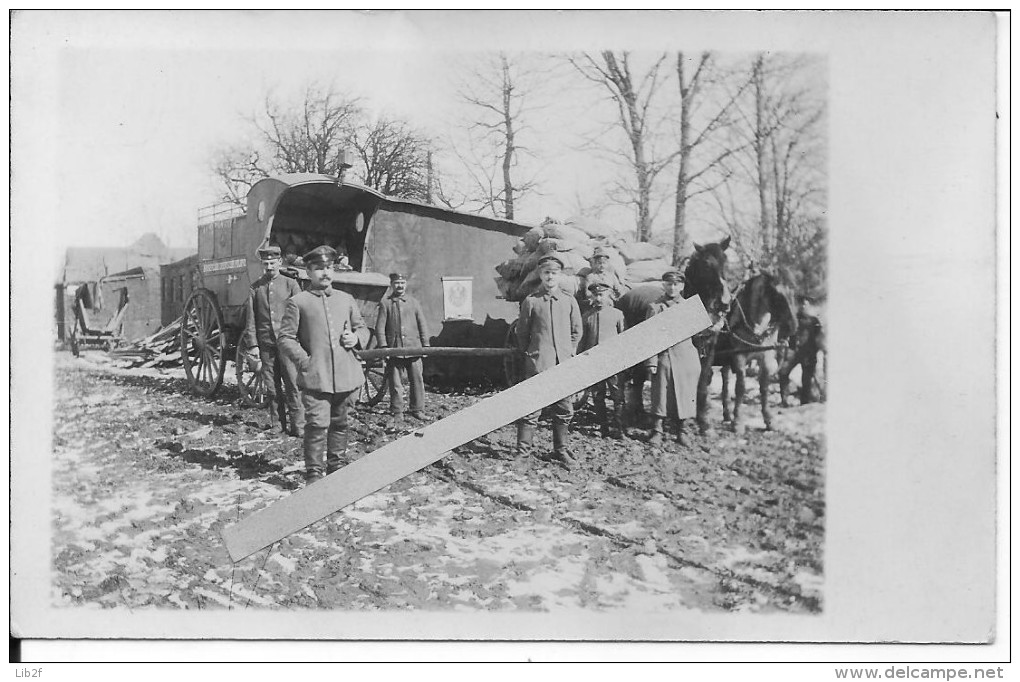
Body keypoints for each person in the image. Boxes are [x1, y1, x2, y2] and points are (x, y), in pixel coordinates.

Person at [278, 245, 371, 485]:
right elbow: (286, 338)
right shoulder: (298, 302)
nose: (325, 273)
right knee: (317, 425)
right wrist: (305, 361)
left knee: (340, 422)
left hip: (345, 374)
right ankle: (314, 474)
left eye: (328, 267)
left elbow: (362, 327)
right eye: (319, 269)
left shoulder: (346, 299)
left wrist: (357, 338)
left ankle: (336, 468)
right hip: (316, 376)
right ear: (308, 272)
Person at [514, 254, 583, 468]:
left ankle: (560, 451)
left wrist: (567, 352)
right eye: (546, 272)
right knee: (531, 410)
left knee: (564, 410)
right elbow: (522, 333)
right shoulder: (532, 301)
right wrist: (534, 354)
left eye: (554, 273)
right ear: (540, 275)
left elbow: (576, 331)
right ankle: (523, 453)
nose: (550, 276)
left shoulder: (568, 300)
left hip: (562, 365)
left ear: (560, 275)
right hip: (538, 365)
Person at [243, 243, 304, 436]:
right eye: (265, 264)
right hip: (266, 345)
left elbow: (301, 314)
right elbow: (251, 320)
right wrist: (253, 345)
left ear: (280, 262)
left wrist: (300, 341)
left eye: (272, 263)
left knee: (293, 384)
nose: (269, 267)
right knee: (272, 387)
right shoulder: (256, 288)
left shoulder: (291, 285)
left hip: (287, 344)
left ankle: (299, 426)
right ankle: (278, 424)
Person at [644, 268, 701, 447]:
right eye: (669, 284)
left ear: (682, 286)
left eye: (676, 284)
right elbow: (650, 336)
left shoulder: (689, 308)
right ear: (664, 285)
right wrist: (652, 361)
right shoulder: (655, 307)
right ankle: (657, 431)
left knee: (685, 395)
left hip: (685, 357)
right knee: (660, 394)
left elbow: (698, 336)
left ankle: (682, 431)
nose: (672, 288)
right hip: (665, 356)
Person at [375, 272, 430, 430]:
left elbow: (422, 324)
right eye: (396, 283)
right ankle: (397, 410)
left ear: (406, 284)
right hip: (395, 349)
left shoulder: (414, 303)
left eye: (402, 282)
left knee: (417, 380)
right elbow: (380, 328)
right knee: (396, 383)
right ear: (391, 284)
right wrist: (385, 348)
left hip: (413, 348)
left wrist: (425, 345)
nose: (400, 286)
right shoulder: (385, 303)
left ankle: (417, 409)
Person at [578, 281, 627, 438]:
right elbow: (582, 341)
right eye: (595, 295)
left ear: (608, 295)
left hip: (613, 362)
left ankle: (620, 429)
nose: (598, 298)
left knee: (617, 395)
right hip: (594, 362)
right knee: (598, 395)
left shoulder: (617, 314)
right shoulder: (587, 316)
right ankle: (603, 427)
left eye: (601, 295)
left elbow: (624, 338)